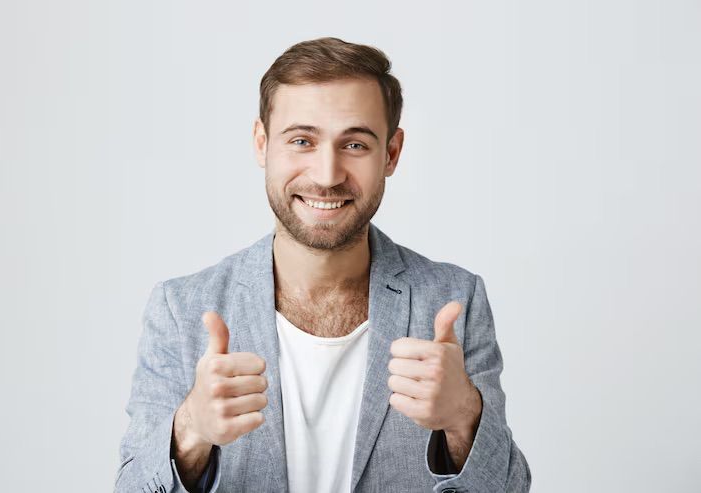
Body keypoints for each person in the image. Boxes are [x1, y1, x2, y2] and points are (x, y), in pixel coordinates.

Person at [114, 36, 531, 493]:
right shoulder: (180, 309)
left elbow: (509, 487)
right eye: (301, 140)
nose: (327, 175)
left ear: (391, 154)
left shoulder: (453, 301)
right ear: (261, 144)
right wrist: (190, 430)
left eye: (354, 145)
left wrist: (464, 417)